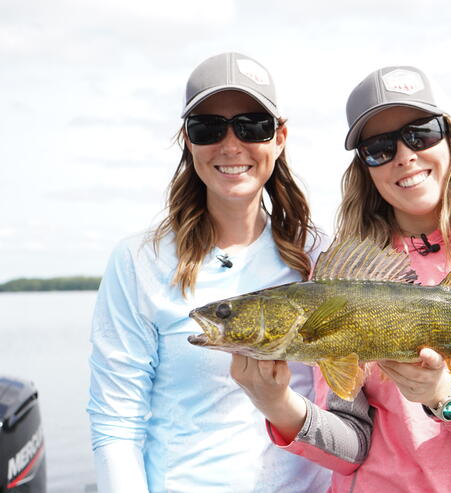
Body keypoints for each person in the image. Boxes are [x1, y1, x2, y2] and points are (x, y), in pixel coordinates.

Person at [230, 65, 451, 492]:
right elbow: (348, 449)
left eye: (421, 133)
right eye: (379, 147)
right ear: (365, 167)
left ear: (450, 139)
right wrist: (276, 404)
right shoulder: (338, 278)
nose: (405, 155)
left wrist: (445, 396)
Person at [87, 52, 331, 493]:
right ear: (188, 141)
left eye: (252, 125)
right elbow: (116, 424)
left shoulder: (321, 255)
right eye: (208, 128)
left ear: (280, 137)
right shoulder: (137, 261)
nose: (231, 145)